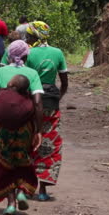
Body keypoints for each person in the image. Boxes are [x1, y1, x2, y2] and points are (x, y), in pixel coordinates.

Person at [0, 40, 44, 214]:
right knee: (23, 158)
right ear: (25, 55)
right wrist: (38, 130)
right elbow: (38, 103)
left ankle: (10, 204)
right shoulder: (32, 73)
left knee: (5, 161)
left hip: (2, 128)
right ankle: (22, 192)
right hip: (25, 128)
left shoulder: (0, 71)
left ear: (9, 55)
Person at [25, 21, 68, 201]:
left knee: (28, 143)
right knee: (49, 145)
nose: (26, 39)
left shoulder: (28, 53)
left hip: (31, 101)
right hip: (51, 103)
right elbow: (64, 81)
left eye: (28, 36)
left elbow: (24, 78)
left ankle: (25, 187)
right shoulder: (57, 53)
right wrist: (58, 98)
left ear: (35, 36)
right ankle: (43, 190)